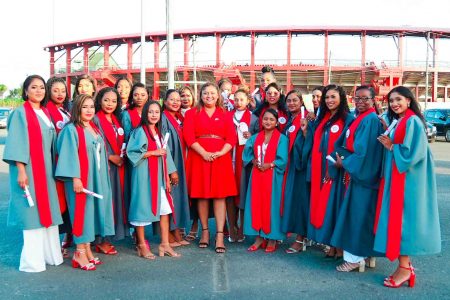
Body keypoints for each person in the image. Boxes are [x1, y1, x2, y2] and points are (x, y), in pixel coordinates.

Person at [375, 86, 441, 288]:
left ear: (409, 101)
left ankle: (405, 268)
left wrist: (391, 146)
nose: (394, 104)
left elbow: (413, 153)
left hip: (408, 181)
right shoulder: (402, 120)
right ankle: (404, 266)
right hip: (401, 178)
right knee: (400, 222)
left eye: (399, 100)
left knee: (404, 222)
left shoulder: (412, 121)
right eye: (392, 100)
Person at [3, 75, 63, 272]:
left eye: (42, 87)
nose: (39, 91)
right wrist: (21, 170)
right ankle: (33, 261)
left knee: (48, 212)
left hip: (46, 171)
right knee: (32, 213)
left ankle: (50, 256)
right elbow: (17, 143)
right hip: (29, 169)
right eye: (34, 87)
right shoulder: (20, 113)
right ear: (26, 91)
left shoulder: (45, 112)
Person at [56, 94, 115, 271]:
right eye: (84, 107)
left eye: (91, 106)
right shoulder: (71, 129)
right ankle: (79, 252)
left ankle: (87, 249)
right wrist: (75, 178)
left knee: (91, 213)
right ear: (77, 109)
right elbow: (68, 154)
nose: (89, 110)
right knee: (81, 213)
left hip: (96, 178)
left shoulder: (93, 128)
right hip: (80, 179)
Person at [330, 86, 384, 272]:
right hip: (360, 174)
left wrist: (343, 163)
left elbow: (364, 153)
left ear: (373, 100)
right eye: (357, 98)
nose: (360, 102)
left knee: (356, 216)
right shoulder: (363, 118)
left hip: (362, 176)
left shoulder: (369, 120)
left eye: (365, 99)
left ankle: (354, 259)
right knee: (364, 216)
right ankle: (366, 255)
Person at [183, 82, 237, 253]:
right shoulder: (192, 113)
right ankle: (205, 232)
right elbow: (189, 136)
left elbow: (231, 138)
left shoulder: (226, 114)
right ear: (200, 95)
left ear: (218, 95)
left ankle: (220, 234)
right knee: (202, 195)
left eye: (213, 93)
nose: (209, 96)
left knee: (220, 196)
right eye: (205, 93)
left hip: (221, 158)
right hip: (199, 156)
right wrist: (203, 152)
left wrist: (221, 153)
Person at [127, 100, 180, 259]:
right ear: (145, 113)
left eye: (157, 112)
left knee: (165, 209)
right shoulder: (139, 132)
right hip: (144, 175)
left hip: (160, 176)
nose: (154, 115)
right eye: (150, 112)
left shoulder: (159, 133)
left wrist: (172, 172)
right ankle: (141, 245)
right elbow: (131, 153)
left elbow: (165, 152)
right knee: (141, 208)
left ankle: (165, 243)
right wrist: (152, 153)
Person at [307, 84, 354, 259]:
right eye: (326, 97)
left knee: (335, 206)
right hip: (320, 169)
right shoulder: (323, 119)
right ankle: (330, 244)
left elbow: (346, 145)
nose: (329, 100)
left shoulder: (347, 119)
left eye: (333, 97)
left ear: (341, 98)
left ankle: (339, 245)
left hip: (336, 170)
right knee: (323, 206)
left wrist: (333, 166)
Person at [243, 109, 288, 252]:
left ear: (276, 122)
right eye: (265, 119)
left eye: (271, 120)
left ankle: (272, 237)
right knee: (257, 203)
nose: (268, 122)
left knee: (272, 205)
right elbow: (246, 154)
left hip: (273, 175)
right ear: (261, 121)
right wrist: (253, 161)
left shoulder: (282, 139)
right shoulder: (255, 137)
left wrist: (270, 164)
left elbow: (283, 159)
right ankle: (259, 236)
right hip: (257, 175)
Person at [93, 87, 129, 254]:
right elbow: (92, 144)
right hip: (103, 167)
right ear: (99, 100)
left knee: (115, 201)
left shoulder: (116, 119)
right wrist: (110, 156)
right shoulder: (95, 119)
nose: (110, 104)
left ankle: (108, 235)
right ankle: (100, 239)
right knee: (104, 202)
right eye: (106, 100)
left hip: (118, 168)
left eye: (114, 101)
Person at [280, 90, 312, 254]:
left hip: (301, 165)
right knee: (293, 201)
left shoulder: (307, 117)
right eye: (289, 101)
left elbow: (310, 140)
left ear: (301, 101)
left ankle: (300, 239)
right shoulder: (290, 119)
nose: (291, 103)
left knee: (301, 202)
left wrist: (306, 132)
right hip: (291, 165)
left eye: (295, 100)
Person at [45, 77, 72, 257]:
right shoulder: (46, 111)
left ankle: (67, 239)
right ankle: (54, 244)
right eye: (55, 90)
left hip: (67, 162)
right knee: (57, 204)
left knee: (68, 202)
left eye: (63, 90)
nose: (60, 94)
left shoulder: (65, 110)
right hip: (55, 162)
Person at [227, 87, 259, 243]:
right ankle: (231, 226)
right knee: (229, 195)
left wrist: (251, 136)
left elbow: (260, 138)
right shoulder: (227, 116)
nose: (238, 102)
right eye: (236, 99)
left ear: (248, 101)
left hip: (244, 162)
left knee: (243, 193)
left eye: (242, 99)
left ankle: (242, 228)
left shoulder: (253, 119)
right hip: (227, 158)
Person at [161, 89, 191, 246]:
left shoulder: (179, 117)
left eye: (178, 99)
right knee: (171, 197)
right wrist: (171, 169)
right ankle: (170, 234)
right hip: (171, 163)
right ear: (165, 102)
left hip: (182, 162)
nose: (175, 102)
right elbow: (164, 146)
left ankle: (176, 231)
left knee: (178, 198)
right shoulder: (163, 118)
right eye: (171, 99)